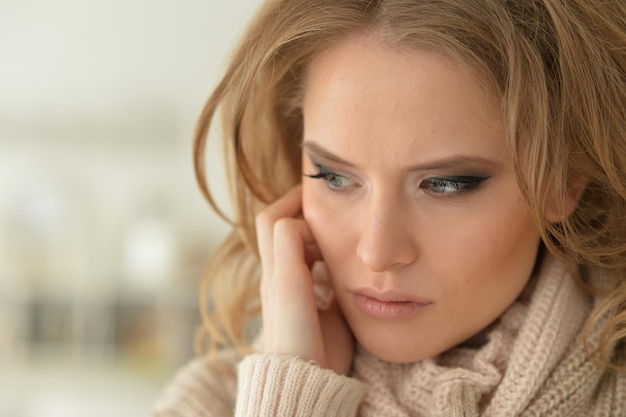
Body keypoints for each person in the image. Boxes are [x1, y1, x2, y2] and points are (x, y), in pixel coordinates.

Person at [154, 0, 626, 415]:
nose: (377, 254)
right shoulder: (213, 402)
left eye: (444, 184)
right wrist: (292, 391)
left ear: (565, 179)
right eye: (334, 177)